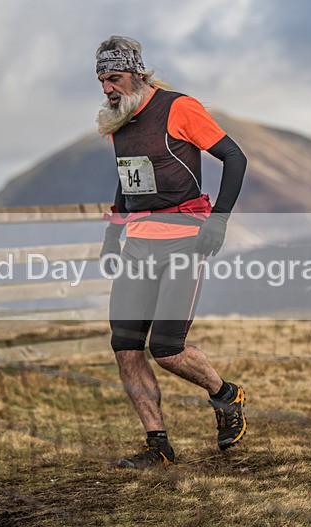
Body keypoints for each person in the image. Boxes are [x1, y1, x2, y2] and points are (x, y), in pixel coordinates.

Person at [95, 36, 249, 469]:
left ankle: (225, 394)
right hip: (139, 243)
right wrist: (112, 235)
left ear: (138, 73)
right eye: (102, 79)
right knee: (125, 346)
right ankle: (157, 446)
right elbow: (130, 180)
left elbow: (234, 158)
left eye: (115, 77)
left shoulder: (178, 107)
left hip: (185, 238)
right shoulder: (117, 119)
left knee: (167, 349)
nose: (108, 87)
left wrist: (218, 219)